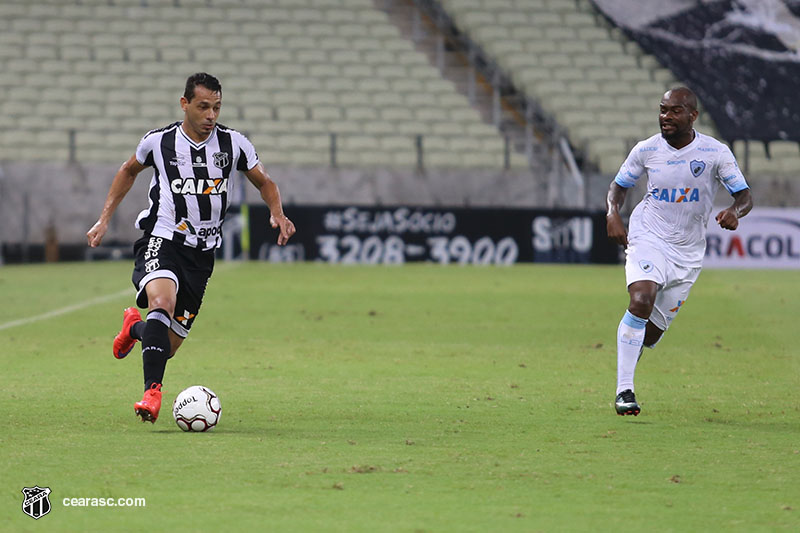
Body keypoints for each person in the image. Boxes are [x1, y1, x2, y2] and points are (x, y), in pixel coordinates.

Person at [87, 72, 296, 423]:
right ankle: (152, 393)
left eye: (217, 107)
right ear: (184, 104)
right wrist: (104, 219)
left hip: (202, 255)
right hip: (163, 238)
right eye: (203, 107)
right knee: (162, 303)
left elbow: (265, 182)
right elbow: (128, 171)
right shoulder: (159, 142)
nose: (211, 115)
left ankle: (134, 328)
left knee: (165, 346)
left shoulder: (234, 144)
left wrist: (277, 212)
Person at [605, 86, 753, 416]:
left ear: (693, 115)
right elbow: (619, 186)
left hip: (687, 252)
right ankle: (624, 390)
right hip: (649, 235)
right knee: (641, 299)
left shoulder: (715, 153)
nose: (666, 116)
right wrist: (613, 213)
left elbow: (744, 196)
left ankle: (629, 355)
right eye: (662, 109)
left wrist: (734, 211)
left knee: (649, 334)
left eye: (674, 111)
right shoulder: (646, 149)